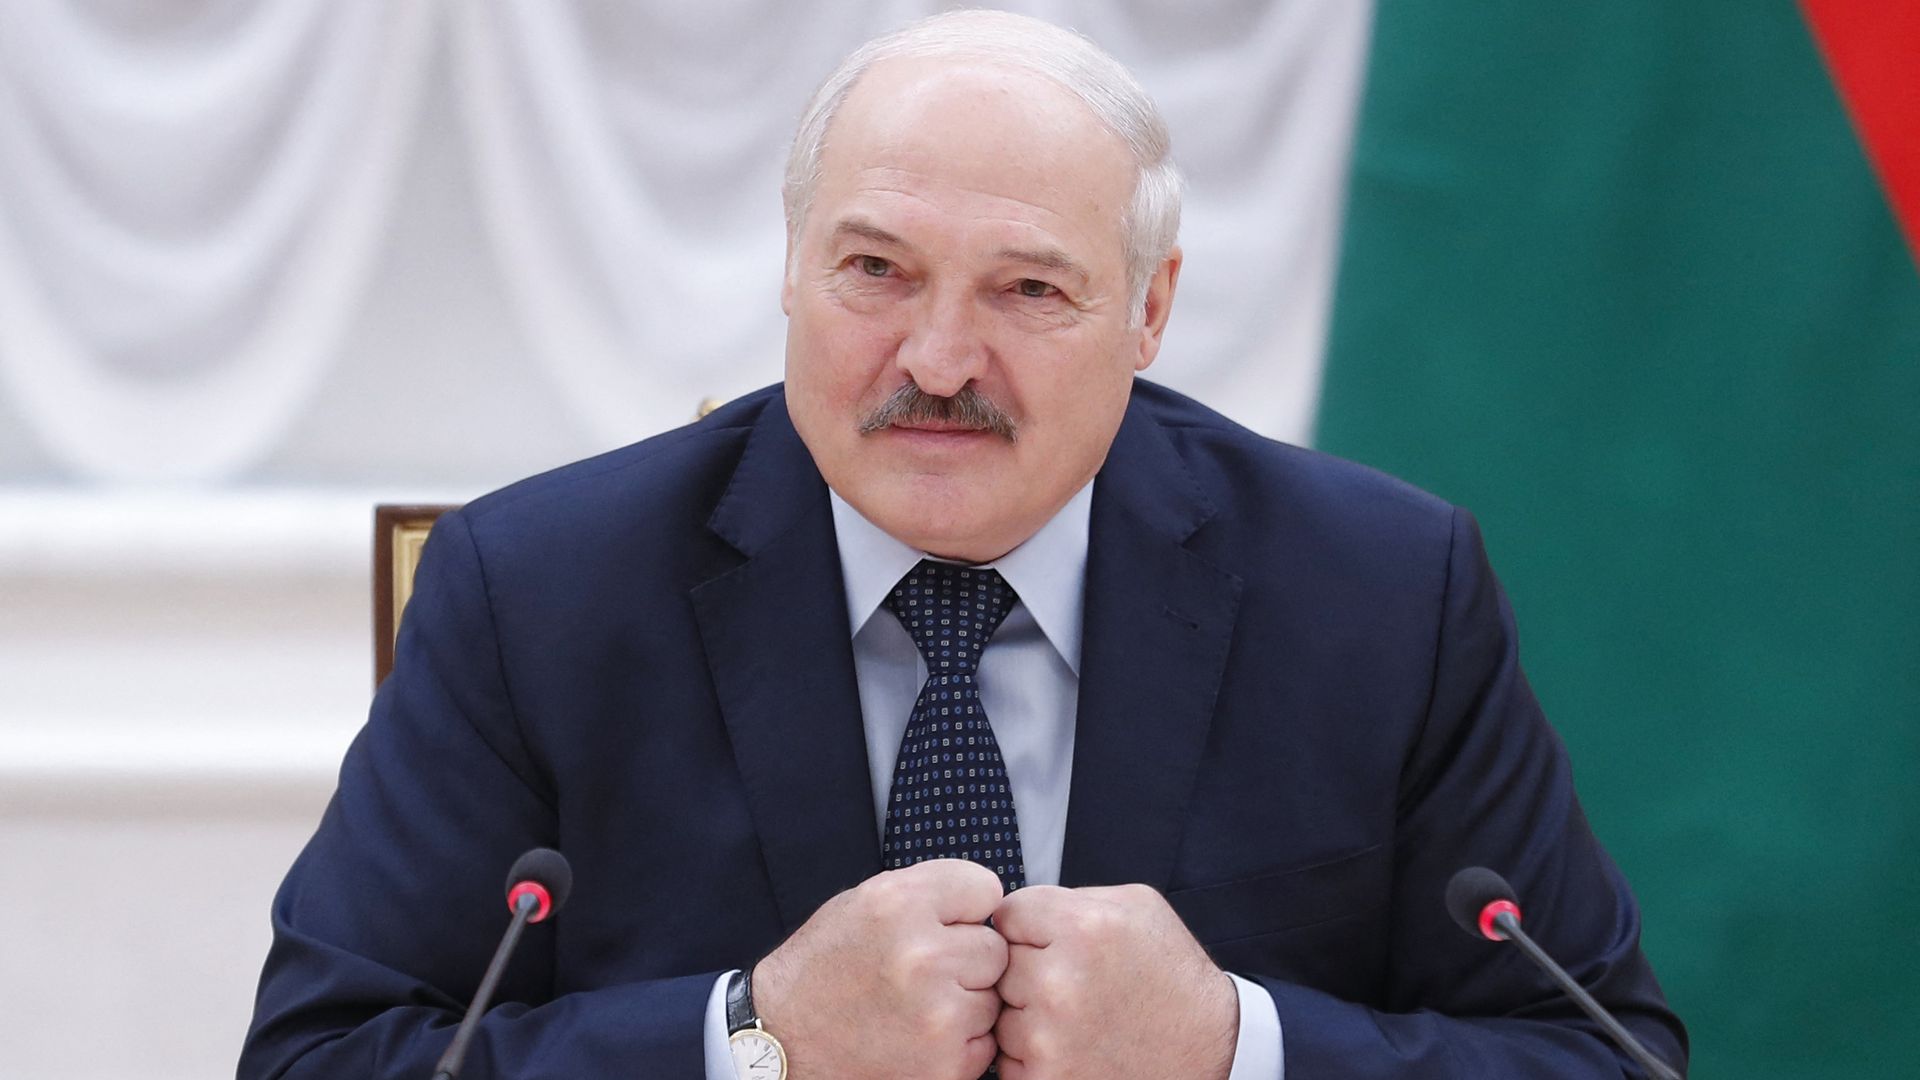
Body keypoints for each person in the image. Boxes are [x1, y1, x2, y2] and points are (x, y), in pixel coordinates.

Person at [240, 10, 1686, 1080]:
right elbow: (323, 1062)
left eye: (1029, 289)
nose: (936, 357)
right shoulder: (537, 591)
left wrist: (1239, 1046)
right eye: (876, 270)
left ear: (1150, 312)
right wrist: (745, 1040)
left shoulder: (1378, 592)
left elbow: (1611, 1059)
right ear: (790, 268)